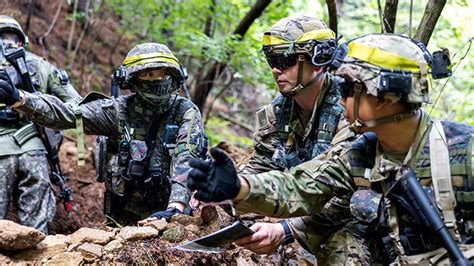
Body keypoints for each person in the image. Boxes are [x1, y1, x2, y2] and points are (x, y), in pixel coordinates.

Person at [187, 33, 474, 264]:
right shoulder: (360, 154)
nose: (340, 101)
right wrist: (239, 186)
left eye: (349, 90)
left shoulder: (463, 151)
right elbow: (298, 187)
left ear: (385, 98)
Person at [0, 42, 208, 226]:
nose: (157, 80)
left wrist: (176, 207)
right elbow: (67, 113)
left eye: (163, 73)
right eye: (148, 74)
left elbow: (187, 159)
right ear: (134, 80)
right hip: (124, 212)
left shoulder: (185, 112)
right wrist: (20, 98)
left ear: (173, 77)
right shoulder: (117, 111)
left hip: (173, 212)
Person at [222, 15, 367, 261]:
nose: (276, 69)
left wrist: (287, 231)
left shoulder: (351, 109)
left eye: (286, 60)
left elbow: (351, 193)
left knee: (343, 251)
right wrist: (225, 191)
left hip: (353, 217)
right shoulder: (279, 111)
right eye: (271, 60)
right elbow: (264, 164)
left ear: (318, 61)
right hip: (300, 204)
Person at [0, 15, 80, 234]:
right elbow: (77, 105)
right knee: (36, 232)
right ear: (21, 40)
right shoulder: (41, 65)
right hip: (34, 150)